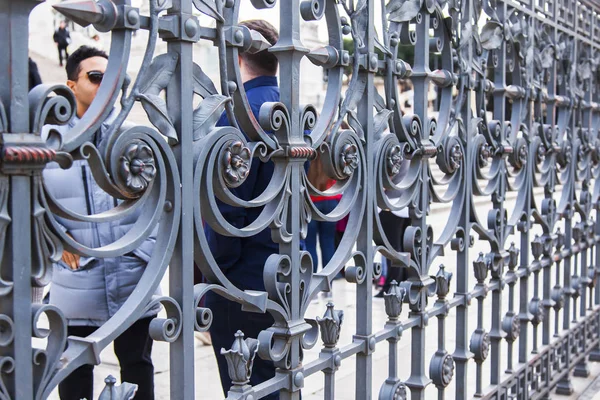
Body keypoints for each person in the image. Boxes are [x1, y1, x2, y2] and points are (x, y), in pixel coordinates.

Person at [43, 46, 158, 400]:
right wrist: (55, 242)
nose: (106, 85)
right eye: (95, 77)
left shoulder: (130, 137)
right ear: (70, 85)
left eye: (113, 79)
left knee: (138, 369)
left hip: (131, 278)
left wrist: (144, 251)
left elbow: (158, 202)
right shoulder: (48, 143)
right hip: (77, 283)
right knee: (74, 371)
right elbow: (30, 204)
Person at [204, 19, 281, 400]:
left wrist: (215, 274)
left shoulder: (239, 114)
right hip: (285, 266)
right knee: (279, 376)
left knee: (246, 383)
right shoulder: (291, 109)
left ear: (234, 55)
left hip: (242, 277)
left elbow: (224, 210)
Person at [306, 152, 341, 275]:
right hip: (330, 201)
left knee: (310, 244)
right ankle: (328, 283)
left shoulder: (307, 157)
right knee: (328, 242)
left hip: (311, 203)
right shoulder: (330, 156)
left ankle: (311, 279)